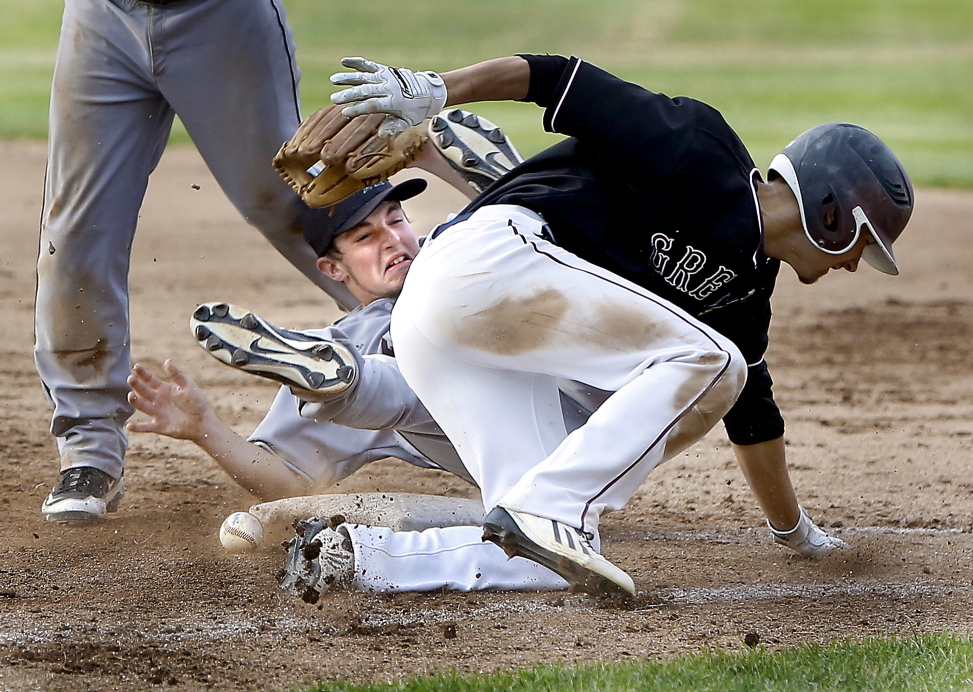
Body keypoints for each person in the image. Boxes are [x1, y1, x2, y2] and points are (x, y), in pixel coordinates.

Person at [312, 53, 916, 596]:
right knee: (711, 362)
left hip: (465, 340)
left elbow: (753, 415)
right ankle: (554, 506)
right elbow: (554, 78)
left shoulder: (748, 289)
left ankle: (348, 559)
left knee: (534, 556)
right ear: (831, 215)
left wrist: (795, 533)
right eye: (861, 244)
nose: (852, 264)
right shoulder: (700, 150)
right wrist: (439, 89)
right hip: (480, 265)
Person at [128, 114, 580, 596]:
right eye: (365, 237)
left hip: (593, 380)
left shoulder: (453, 250)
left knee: (514, 245)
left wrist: (432, 156)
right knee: (415, 373)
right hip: (527, 446)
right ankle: (356, 385)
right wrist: (205, 429)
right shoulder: (346, 343)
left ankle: (502, 189)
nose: (392, 239)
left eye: (397, 220)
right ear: (332, 269)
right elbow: (290, 482)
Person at [36, 0, 364, 523]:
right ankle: (89, 449)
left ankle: (425, 352)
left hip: (220, 16)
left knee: (293, 203)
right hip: (102, 17)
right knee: (77, 231)